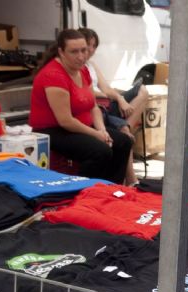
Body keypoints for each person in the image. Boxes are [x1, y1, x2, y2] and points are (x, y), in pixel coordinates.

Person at [29, 29, 134, 185]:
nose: (81, 56)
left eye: (84, 50)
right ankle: (82, 190)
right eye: (74, 52)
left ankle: (110, 188)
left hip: (79, 126)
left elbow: (93, 106)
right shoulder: (53, 76)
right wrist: (96, 134)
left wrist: (102, 130)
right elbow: (65, 121)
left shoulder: (83, 70)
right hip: (53, 130)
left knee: (124, 141)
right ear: (61, 52)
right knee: (100, 151)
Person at [78, 28, 149, 142]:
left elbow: (106, 88)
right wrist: (105, 95)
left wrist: (120, 99)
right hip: (97, 106)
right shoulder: (75, 67)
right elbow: (85, 92)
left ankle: (126, 128)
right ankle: (124, 131)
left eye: (94, 46)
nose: (91, 49)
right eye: (88, 44)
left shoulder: (91, 65)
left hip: (106, 103)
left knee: (142, 90)